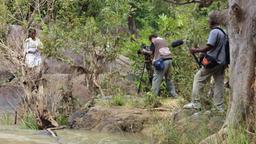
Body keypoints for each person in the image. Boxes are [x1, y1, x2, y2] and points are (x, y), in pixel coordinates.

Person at [183, 11, 227, 112]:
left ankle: (196, 103)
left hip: (213, 62)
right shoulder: (223, 32)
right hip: (221, 62)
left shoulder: (214, 31)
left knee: (198, 78)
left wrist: (196, 50)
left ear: (211, 20)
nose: (207, 21)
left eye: (208, 19)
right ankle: (219, 107)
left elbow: (210, 46)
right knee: (219, 83)